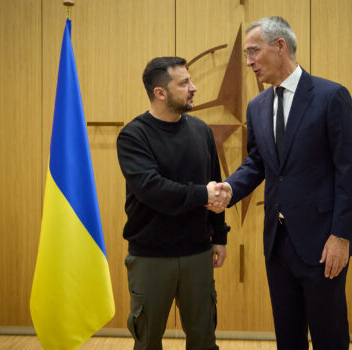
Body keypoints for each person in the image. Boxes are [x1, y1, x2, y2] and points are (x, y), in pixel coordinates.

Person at [208, 17, 352, 349]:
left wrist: (342, 236)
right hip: (277, 243)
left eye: (253, 51)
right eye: (247, 54)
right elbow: (259, 162)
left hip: (324, 242)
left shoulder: (331, 96)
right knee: (287, 336)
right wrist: (231, 188)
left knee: (329, 334)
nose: (249, 61)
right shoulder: (257, 105)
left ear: (280, 46)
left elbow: (351, 173)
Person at [117, 56, 230, 350]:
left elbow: (214, 184)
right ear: (160, 92)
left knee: (204, 339)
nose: (194, 87)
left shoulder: (202, 131)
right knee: (148, 341)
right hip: (151, 256)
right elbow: (152, 189)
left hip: (197, 252)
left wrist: (219, 235)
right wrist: (202, 195)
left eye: (190, 80)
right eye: (184, 83)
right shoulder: (133, 135)